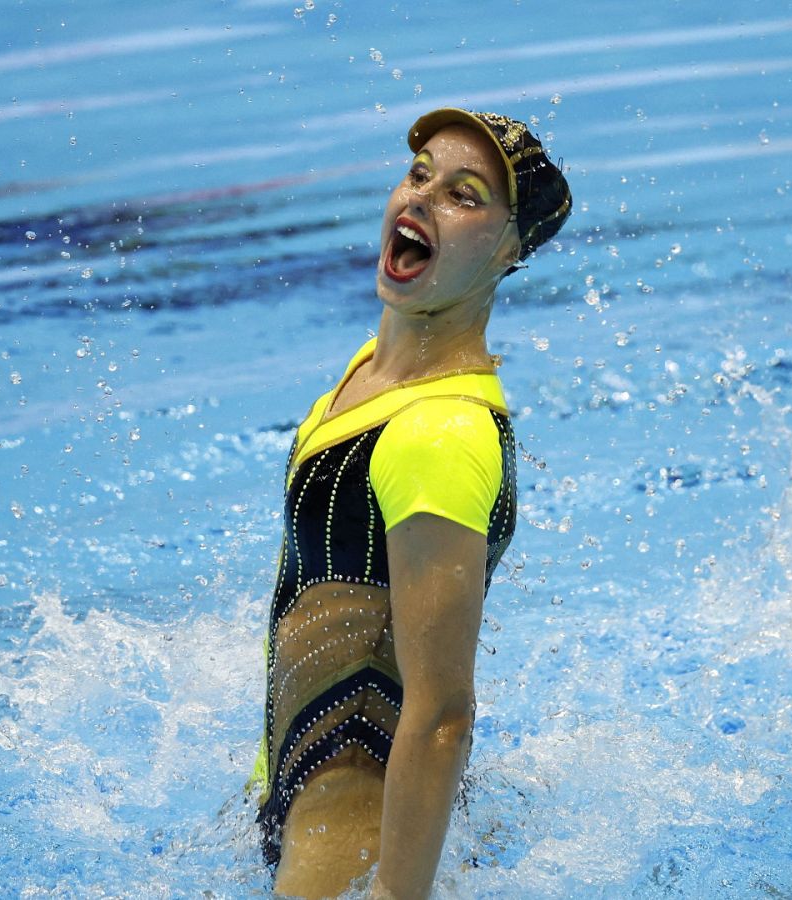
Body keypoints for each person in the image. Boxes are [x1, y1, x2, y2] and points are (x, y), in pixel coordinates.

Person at [251, 108, 570, 898]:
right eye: (420, 173)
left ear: (508, 251)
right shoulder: (378, 370)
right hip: (306, 798)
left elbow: (443, 713)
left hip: (352, 828)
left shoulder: (438, 435)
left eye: (464, 196)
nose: (421, 200)